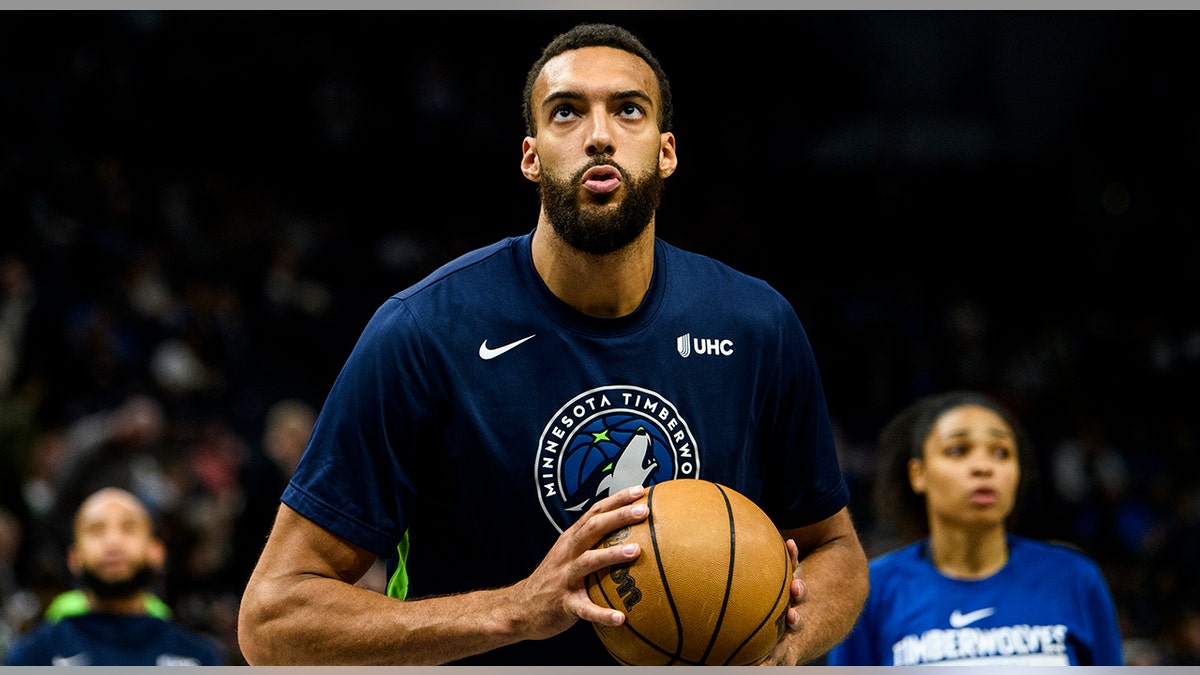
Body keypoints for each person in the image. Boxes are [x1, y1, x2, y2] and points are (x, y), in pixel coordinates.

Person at [237, 22, 868, 666]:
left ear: (666, 151)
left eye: (629, 110)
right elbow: (274, 618)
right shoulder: (423, 333)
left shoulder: (756, 323)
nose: (599, 134)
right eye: (567, 112)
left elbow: (835, 549)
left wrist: (786, 648)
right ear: (531, 156)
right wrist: (515, 610)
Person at [827, 390, 1124, 666]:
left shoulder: (1074, 578)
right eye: (958, 450)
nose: (984, 466)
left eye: (1001, 453)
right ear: (917, 473)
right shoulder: (874, 591)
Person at [2, 487, 224, 666]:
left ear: (156, 552)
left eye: (128, 528)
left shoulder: (199, 658)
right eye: (96, 530)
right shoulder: (33, 657)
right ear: (74, 557)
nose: (113, 543)